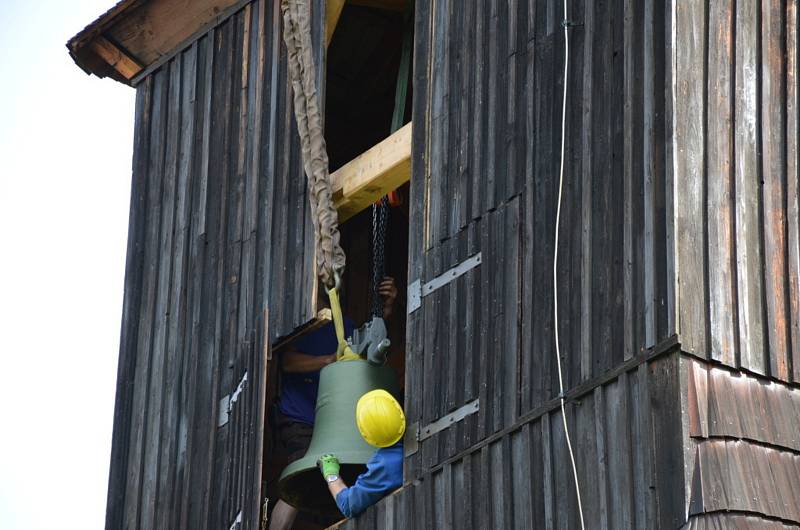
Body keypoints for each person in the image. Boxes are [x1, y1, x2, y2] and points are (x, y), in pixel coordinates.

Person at [269, 278, 398, 530]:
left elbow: (366, 348)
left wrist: (387, 310)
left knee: (347, 474)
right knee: (301, 472)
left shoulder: (345, 327)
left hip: (336, 420)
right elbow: (286, 363)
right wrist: (329, 361)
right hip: (301, 418)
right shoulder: (297, 327)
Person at [317, 389, 405, 519]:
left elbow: (348, 505)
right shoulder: (419, 435)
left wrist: (331, 475)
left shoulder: (385, 465)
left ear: (365, 433)